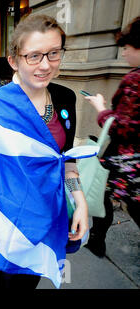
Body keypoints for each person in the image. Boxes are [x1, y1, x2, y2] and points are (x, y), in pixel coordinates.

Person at [0, 14, 92, 289]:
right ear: (14, 60)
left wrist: (81, 201)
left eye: (53, 53)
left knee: (33, 282)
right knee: (8, 285)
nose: (45, 65)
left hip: (51, 213)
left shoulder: (65, 97)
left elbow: (66, 159)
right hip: (11, 223)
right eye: (34, 56)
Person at [83, 16, 140, 257]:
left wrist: (100, 107)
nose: (124, 53)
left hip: (127, 161)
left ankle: (97, 239)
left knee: (101, 189)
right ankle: (97, 239)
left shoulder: (135, 80)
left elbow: (123, 127)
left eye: (127, 47)